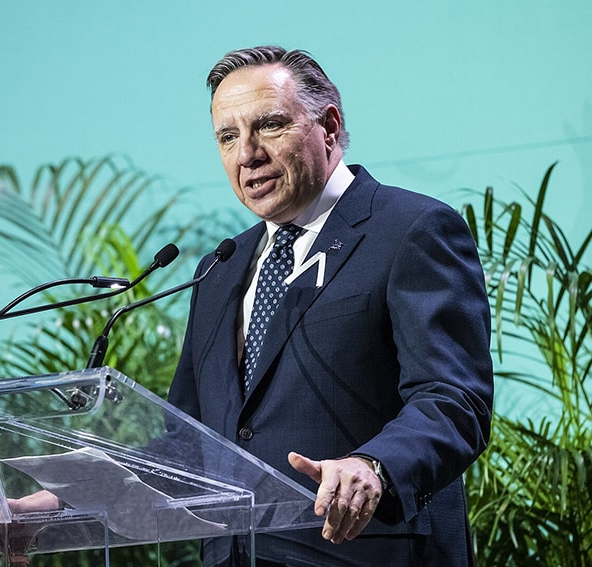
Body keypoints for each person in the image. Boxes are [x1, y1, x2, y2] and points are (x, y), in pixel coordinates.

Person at [167, 46, 494, 566]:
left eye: (268, 126)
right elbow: (186, 438)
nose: (246, 153)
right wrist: (72, 499)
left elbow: (454, 400)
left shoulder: (409, 230)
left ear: (330, 126)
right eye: (227, 137)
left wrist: (374, 465)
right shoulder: (220, 268)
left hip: (367, 551)